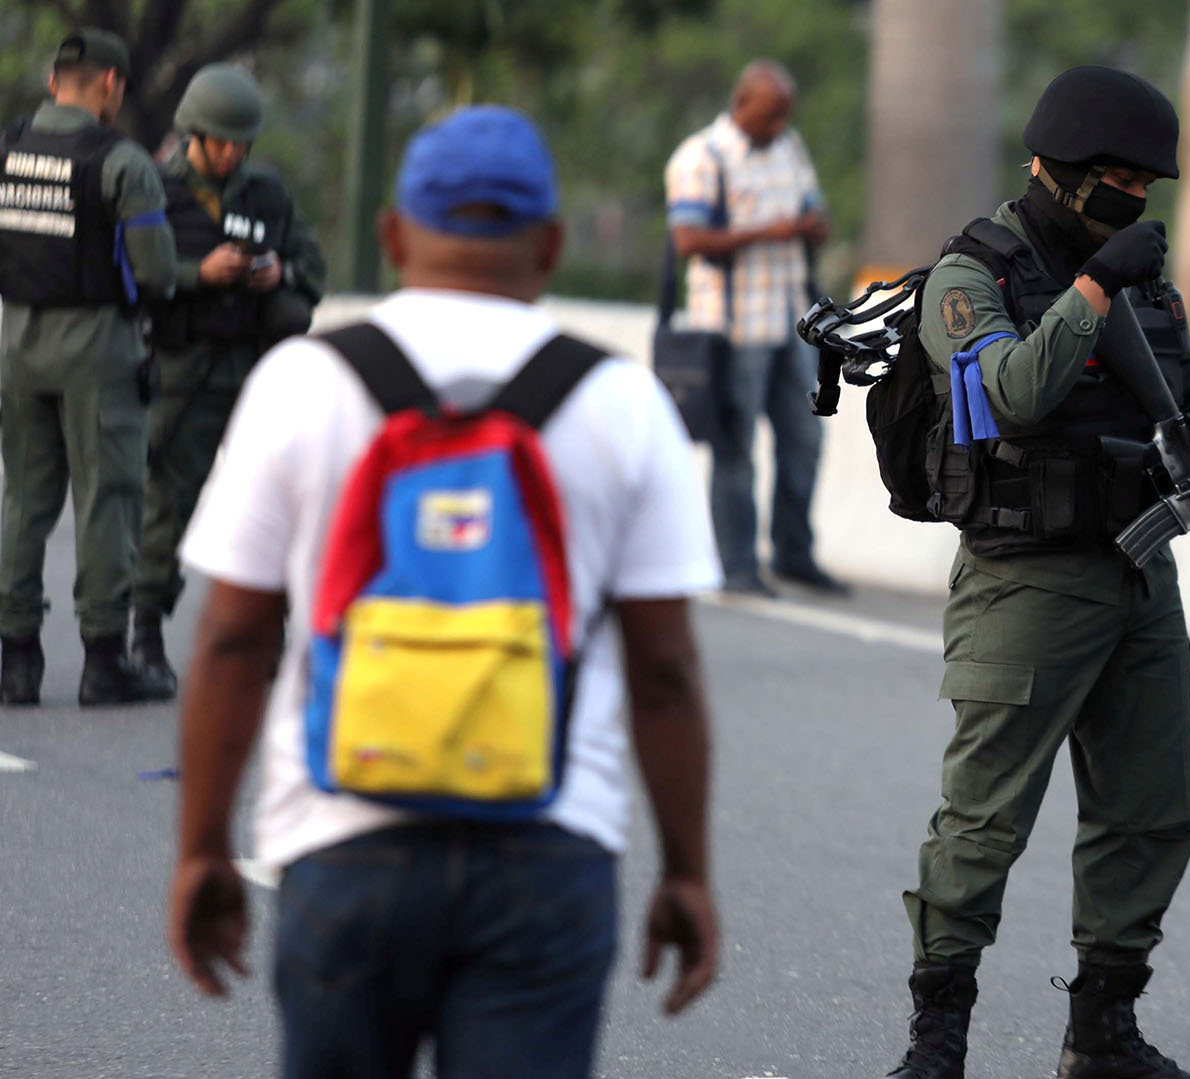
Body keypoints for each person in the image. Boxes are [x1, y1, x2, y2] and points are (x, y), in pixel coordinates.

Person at [164, 106, 723, 1077]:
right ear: (550, 243)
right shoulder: (623, 402)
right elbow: (664, 668)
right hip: (550, 847)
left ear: (391, 233)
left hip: (342, 837)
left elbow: (232, 639)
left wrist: (203, 846)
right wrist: (685, 869)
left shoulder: (304, 381)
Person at [882, 65, 1190, 1079]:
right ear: (1059, 170)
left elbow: (1188, 405)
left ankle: (1103, 1028)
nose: (1134, 197)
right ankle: (936, 1037)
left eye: (1145, 183)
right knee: (985, 817)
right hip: (1025, 578)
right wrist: (1092, 286)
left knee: (1151, 810)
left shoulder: (1140, 276)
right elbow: (1014, 395)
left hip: (1138, 570)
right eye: (1116, 177)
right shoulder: (972, 276)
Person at [131, 62, 326, 694]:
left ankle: (272, 633)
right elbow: (130, 277)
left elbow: (311, 267)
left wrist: (280, 273)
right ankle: (146, 634)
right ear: (195, 133)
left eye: (242, 141)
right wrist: (197, 274)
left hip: (256, 373)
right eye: (222, 140)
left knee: (274, 506)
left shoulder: (266, 194)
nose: (233, 151)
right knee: (169, 506)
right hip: (184, 371)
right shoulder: (156, 190)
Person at [0, 30, 176, 706]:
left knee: (23, 499)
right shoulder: (121, 162)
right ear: (111, 86)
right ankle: (105, 658)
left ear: (54, 83)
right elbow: (157, 270)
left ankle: (17, 660)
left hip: (18, 338)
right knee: (107, 497)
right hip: (97, 347)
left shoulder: (9, 147)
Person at [664, 58, 843, 597]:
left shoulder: (789, 147)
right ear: (742, 105)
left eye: (783, 117)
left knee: (805, 438)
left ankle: (794, 553)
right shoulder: (702, 157)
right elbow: (688, 241)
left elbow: (817, 216)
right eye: (768, 117)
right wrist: (773, 230)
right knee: (735, 447)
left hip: (791, 322)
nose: (776, 128)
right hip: (731, 329)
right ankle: (737, 564)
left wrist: (812, 228)